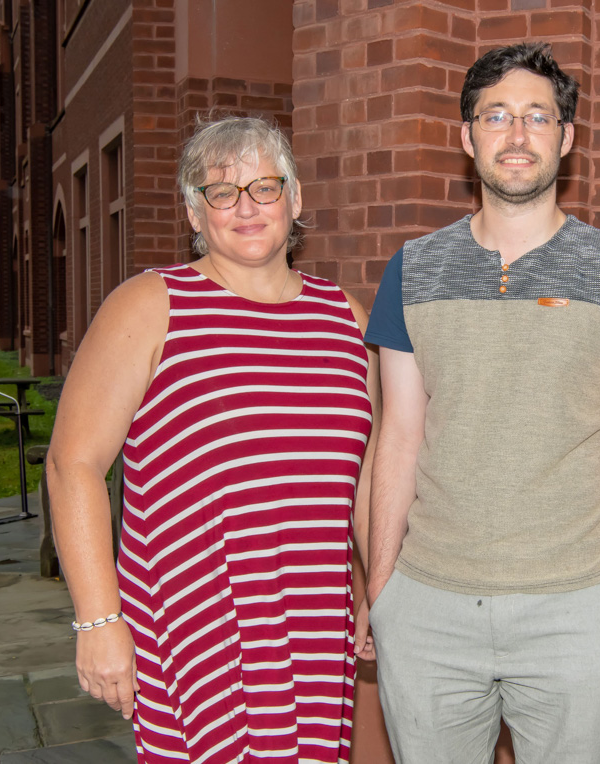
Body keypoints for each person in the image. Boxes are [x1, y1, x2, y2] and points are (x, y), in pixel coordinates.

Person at [363, 42, 600, 764]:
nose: (517, 133)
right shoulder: (412, 269)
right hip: (428, 604)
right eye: (495, 115)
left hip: (576, 607)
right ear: (467, 137)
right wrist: (383, 590)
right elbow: (398, 435)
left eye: (539, 115)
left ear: (566, 138)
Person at [46, 116, 378, 763]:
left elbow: (362, 476)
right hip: (198, 621)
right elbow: (73, 465)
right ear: (195, 212)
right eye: (221, 192)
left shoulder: (344, 319)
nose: (245, 207)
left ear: (297, 199)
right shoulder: (150, 305)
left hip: (313, 620)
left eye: (264, 187)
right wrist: (98, 619)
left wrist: (371, 591)